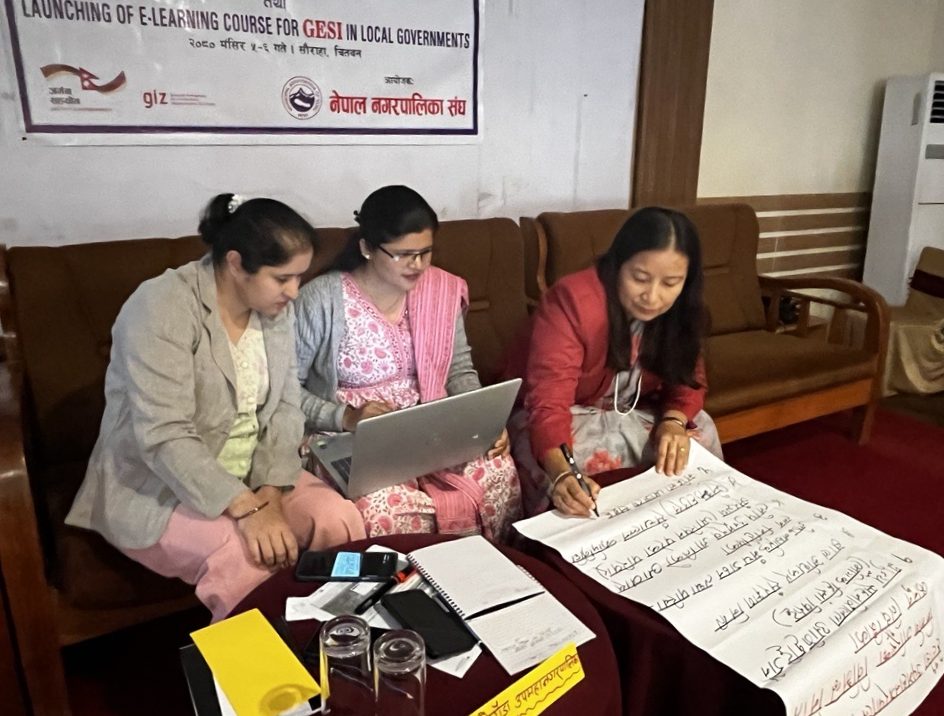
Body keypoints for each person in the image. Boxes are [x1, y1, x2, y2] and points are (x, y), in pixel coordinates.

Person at [66, 193, 365, 622]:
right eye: (283, 278)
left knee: (339, 520)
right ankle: (261, 682)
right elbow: (164, 434)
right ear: (235, 263)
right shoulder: (161, 306)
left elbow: (283, 409)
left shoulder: (272, 308)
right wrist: (246, 509)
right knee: (245, 559)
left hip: (251, 475)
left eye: (299, 277)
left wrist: (271, 497)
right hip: (159, 484)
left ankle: (336, 641)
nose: (294, 292)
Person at [295, 185, 521, 538]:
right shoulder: (322, 299)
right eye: (402, 254)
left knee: (495, 468)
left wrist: (482, 421)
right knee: (383, 505)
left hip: (428, 429)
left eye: (425, 252)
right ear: (367, 248)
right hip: (349, 437)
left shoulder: (440, 291)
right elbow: (283, 389)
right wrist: (345, 416)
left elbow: (458, 369)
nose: (417, 265)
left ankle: (486, 575)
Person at [507, 207, 724, 517]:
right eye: (640, 278)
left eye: (670, 283)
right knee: (585, 466)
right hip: (564, 412)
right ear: (617, 264)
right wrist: (562, 474)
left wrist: (673, 423)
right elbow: (548, 404)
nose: (652, 296)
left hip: (632, 409)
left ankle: (687, 524)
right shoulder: (572, 301)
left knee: (698, 433)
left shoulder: (681, 309)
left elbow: (689, 379)